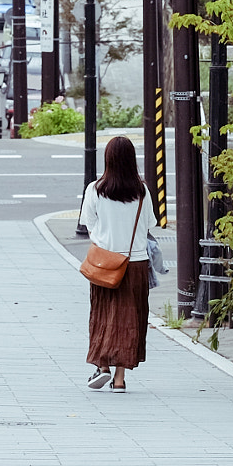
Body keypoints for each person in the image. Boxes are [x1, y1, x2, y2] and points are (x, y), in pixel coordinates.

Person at [78, 135, 157, 391]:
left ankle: (102, 366)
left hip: (105, 262)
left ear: (108, 159)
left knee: (102, 314)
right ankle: (120, 379)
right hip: (135, 263)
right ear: (131, 160)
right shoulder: (142, 190)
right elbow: (150, 225)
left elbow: (88, 223)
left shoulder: (96, 189)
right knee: (130, 318)